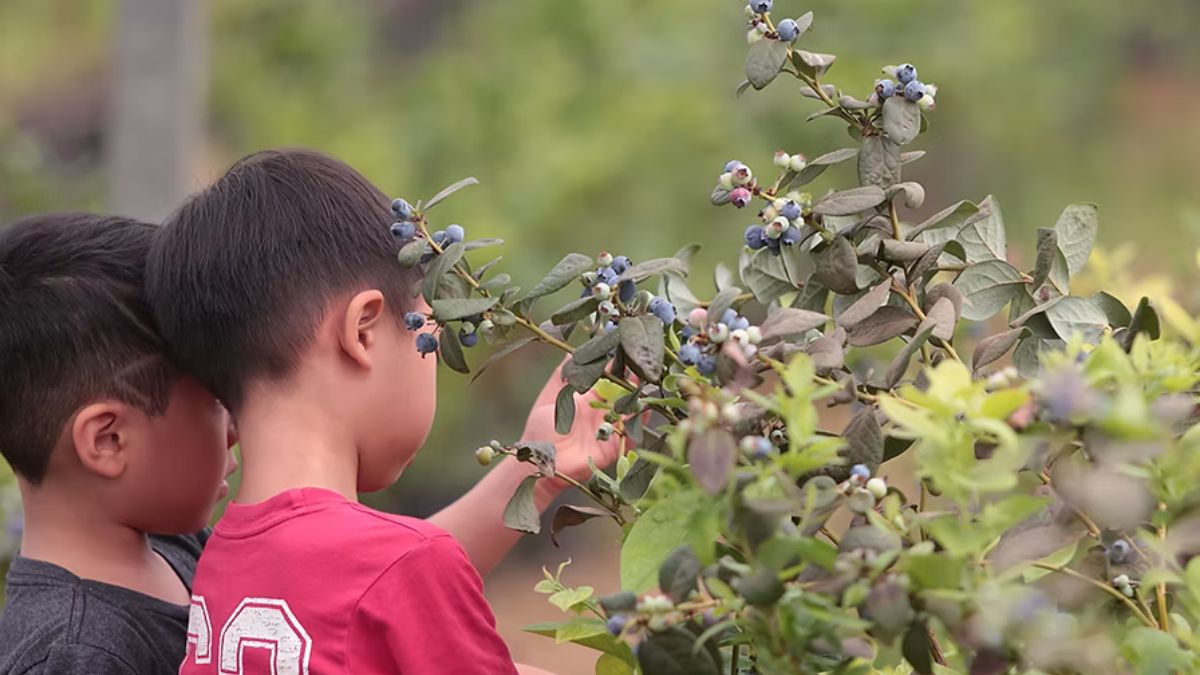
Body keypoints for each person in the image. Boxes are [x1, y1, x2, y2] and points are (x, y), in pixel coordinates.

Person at [148, 149, 619, 674]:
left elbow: (363, 591)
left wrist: (536, 466)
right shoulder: (403, 565)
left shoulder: (220, 562)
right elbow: (389, 574)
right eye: (428, 337)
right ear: (364, 331)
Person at [0, 213, 237, 674]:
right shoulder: (76, 656)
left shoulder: (176, 544)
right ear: (108, 440)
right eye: (216, 398)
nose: (238, 425)